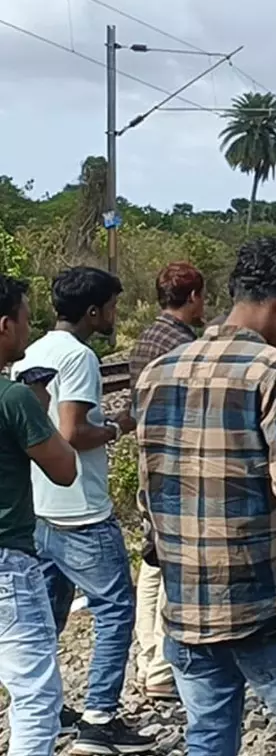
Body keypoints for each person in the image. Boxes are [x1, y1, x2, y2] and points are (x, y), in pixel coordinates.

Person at [135, 237, 276, 755]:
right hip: (261, 597)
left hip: (184, 597)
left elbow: (147, 490)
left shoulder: (158, 372)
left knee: (207, 733)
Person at [12, 267, 154, 753]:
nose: (115, 315)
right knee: (116, 610)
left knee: (49, 615)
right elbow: (72, 433)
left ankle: (52, 709)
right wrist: (119, 427)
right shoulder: (80, 357)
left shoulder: (29, 353)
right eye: (112, 307)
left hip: (41, 507)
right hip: (82, 511)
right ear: (93, 312)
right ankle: (99, 717)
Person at [0, 274, 78, 756]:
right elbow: (65, 469)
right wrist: (40, 411)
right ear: (4, 325)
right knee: (34, 694)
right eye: (26, 320)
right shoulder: (14, 399)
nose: (30, 330)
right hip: (7, 560)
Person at [125, 261, 206, 703]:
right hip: (172, 464)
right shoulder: (180, 344)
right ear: (192, 297)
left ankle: (149, 657)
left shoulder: (148, 336)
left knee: (152, 563)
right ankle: (160, 667)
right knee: (166, 562)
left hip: (147, 460)